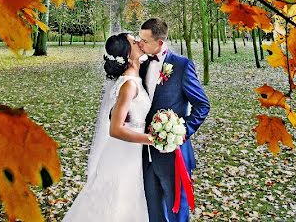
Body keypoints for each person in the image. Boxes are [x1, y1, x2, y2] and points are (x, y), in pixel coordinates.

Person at [63, 33, 153, 222]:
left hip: (131, 153)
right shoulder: (128, 85)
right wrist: (151, 139)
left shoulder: (136, 76)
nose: (139, 42)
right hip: (122, 154)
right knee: (117, 203)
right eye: (134, 42)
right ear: (128, 54)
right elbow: (115, 129)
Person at [138, 17, 210, 222]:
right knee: (153, 210)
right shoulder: (140, 66)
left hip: (172, 154)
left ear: (159, 43)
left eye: (145, 40)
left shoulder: (181, 66)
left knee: (177, 209)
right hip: (144, 154)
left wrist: (181, 131)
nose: (140, 44)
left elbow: (202, 105)